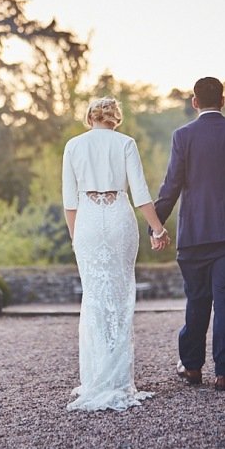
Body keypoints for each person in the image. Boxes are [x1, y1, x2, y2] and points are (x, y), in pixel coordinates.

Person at [152, 77, 225, 391]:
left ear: (194, 102)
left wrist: (156, 224)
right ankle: (223, 374)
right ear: (223, 100)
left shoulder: (183, 136)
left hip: (194, 234)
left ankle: (192, 368)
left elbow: (171, 186)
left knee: (197, 301)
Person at [62, 96, 169, 412]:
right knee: (121, 296)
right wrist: (158, 229)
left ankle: (97, 379)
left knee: (94, 297)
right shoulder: (126, 143)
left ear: (89, 117)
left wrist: (75, 239)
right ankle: (118, 381)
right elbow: (140, 193)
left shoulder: (73, 145)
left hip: (88, 221)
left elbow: (70, 200)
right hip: (119, 216)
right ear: (115, 117)